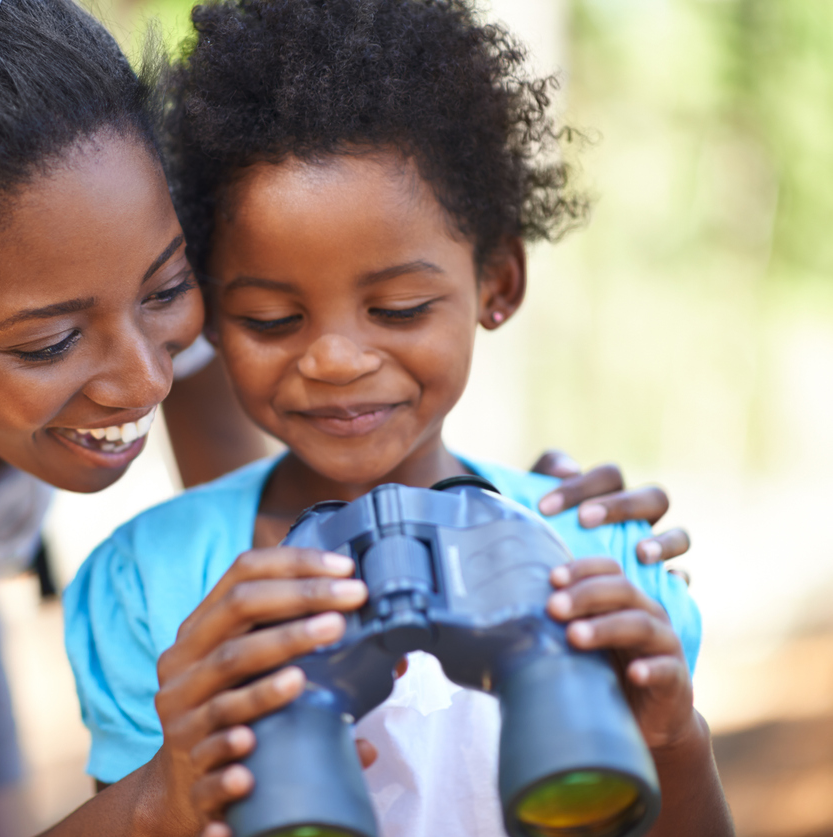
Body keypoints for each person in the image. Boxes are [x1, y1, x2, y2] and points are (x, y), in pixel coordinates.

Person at [0, 0, 693, 835]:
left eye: (172, 290)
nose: (142, 377)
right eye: (50, 340)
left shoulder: (133, 233)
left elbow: (245, 535)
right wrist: (157, 795)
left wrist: (514, 518)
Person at [62, 1, 734, 835]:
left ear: (497, 283)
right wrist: (174, 781)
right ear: (208, 312)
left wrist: (673, 743)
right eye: (272, 319)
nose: (336, 359)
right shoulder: (152, 583)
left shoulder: (600, 560)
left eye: (401, 307)